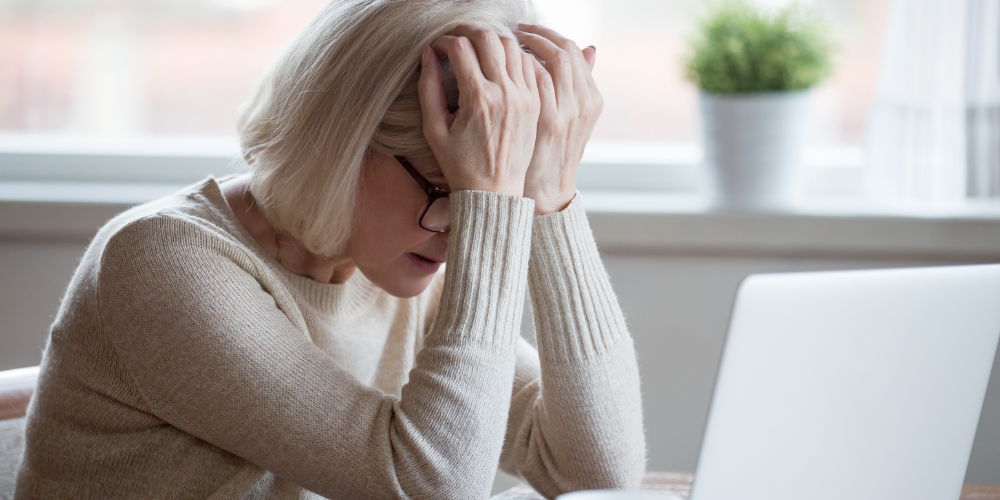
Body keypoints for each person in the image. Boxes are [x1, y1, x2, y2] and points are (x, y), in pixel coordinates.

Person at [14, 0, 646, 498]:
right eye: (448, 190)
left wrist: (552, 196)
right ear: (343, 144)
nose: (464, 235)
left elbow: (597, 474)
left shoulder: (389, 259)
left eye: (483, 200)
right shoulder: (160, 263)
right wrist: (491, 205)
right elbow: (430, 488)